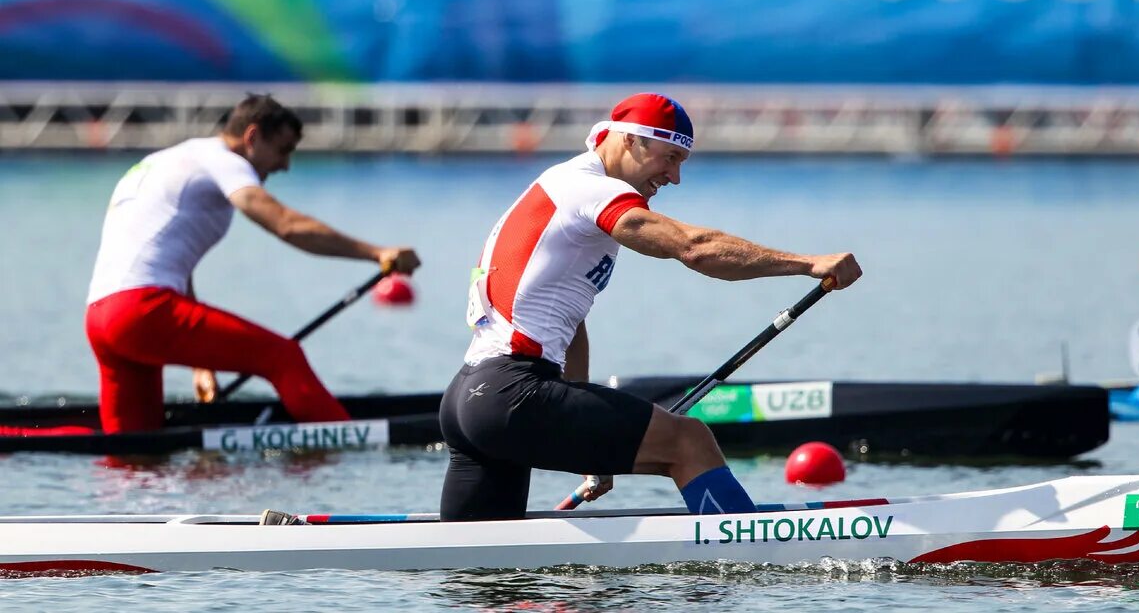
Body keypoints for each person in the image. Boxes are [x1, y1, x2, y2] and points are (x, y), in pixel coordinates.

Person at [439, 93, 861, 521]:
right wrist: (808, 263)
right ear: (630, 140)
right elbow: (695, 249)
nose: (675, 177)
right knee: (689, 442)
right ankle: (752, 557)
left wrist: (588, 442)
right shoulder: (590, 190)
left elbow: (572, 322)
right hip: (514, 395)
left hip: (469, 400)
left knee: (473, 567)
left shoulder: (558, 187)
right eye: (670, 157)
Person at [84, 94, 419, 433]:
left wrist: (200, 364)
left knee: (132, 453)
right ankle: (352, 448)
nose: (285, 165)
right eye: (283, 150)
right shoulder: (223, 161)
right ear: (252, 137)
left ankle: (28, 438)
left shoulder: (168, 160)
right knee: (281, 357)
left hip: (102, 319)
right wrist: (377, 253)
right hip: (142, 312)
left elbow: (168, 264)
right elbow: (287, 225)